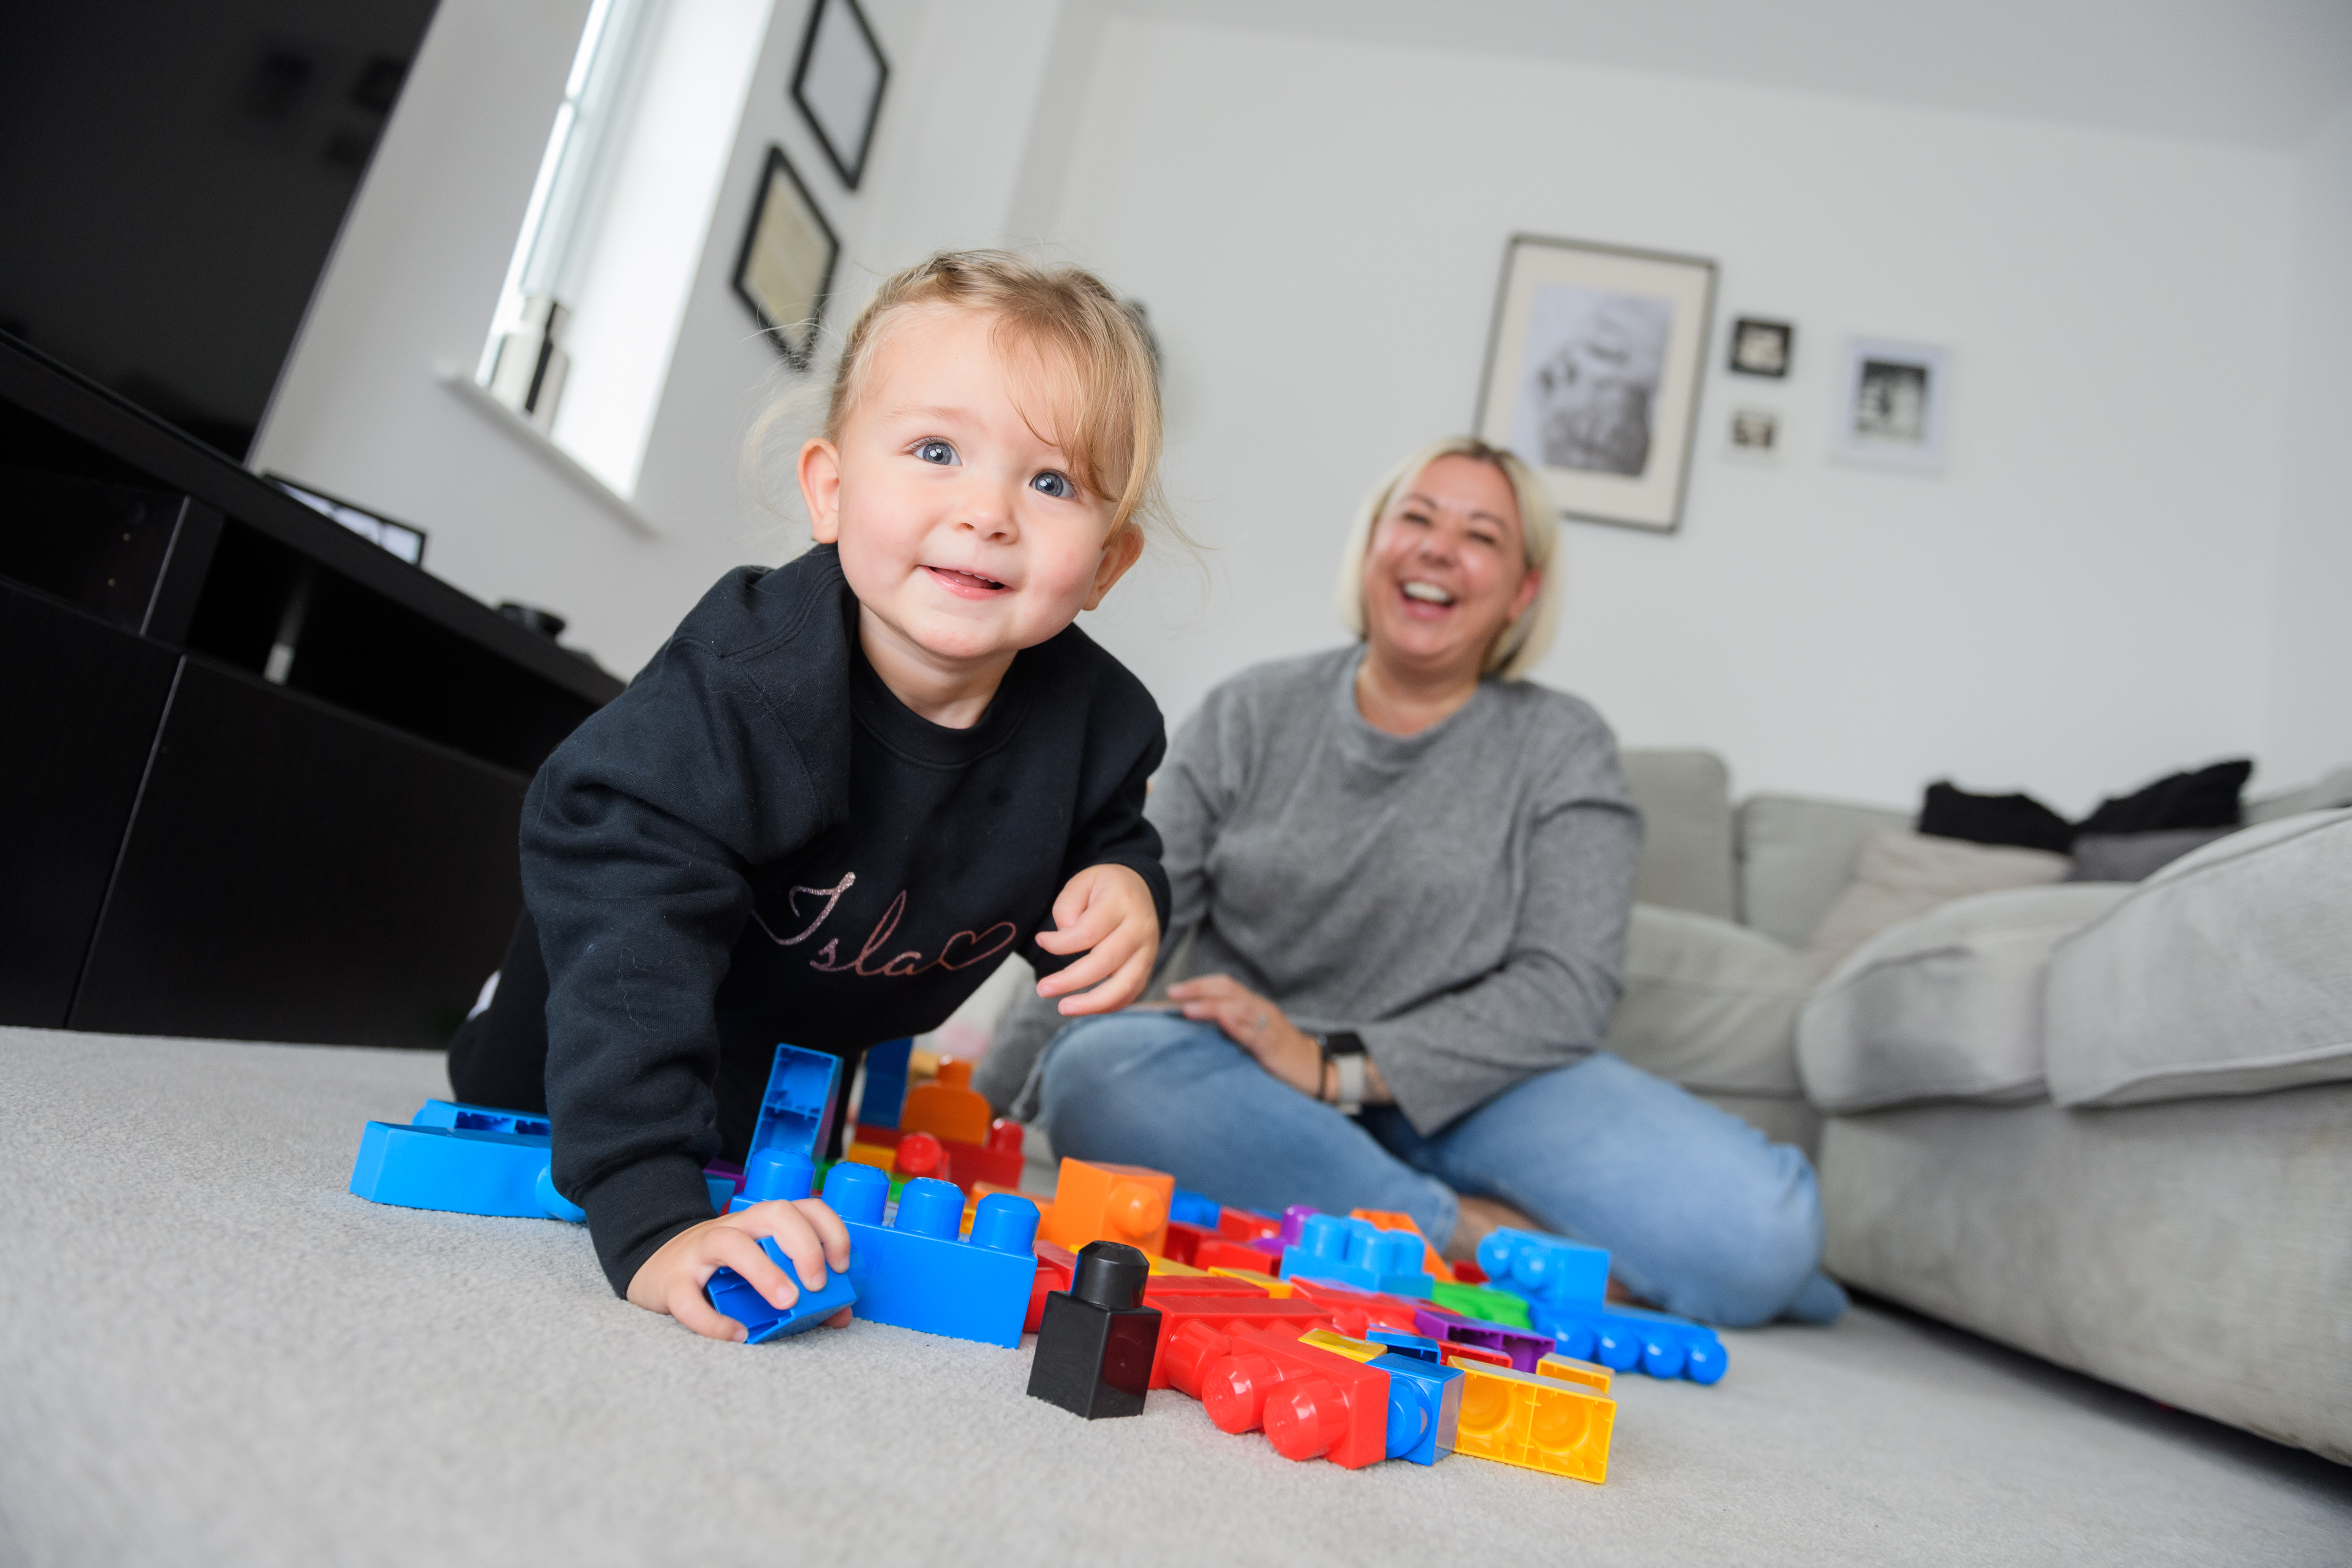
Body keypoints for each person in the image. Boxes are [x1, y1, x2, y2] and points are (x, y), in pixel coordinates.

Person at [449, 253, 1174, 1341]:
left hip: (793, 1053)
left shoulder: (1104, 723)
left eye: (1052, 482)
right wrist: (649, 1210)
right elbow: (623, 884)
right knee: (553, 1106)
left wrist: (1120, 882)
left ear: (1109, 562)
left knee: (762, 1159)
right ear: (831, 490)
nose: (987, 512)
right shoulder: (750, 680)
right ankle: (547, 1078)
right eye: (937, 452)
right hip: (616, 998)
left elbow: (1098, 831)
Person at [985, 436, 1843, 1327]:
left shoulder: (1565, 746)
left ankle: (1367, 1207)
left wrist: (1339, 1070)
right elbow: (1123, 913)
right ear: (1373, 547)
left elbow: (1565, 990)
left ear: (1522, 591)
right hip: (1253, 1084)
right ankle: (1462, 1234)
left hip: (1481, 1086)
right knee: (1093, 1072)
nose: (1437, 546)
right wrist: (986, 1110)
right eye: (1417, 518)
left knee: (1767, 1233)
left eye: (1480, 535)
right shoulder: (1250, 712)